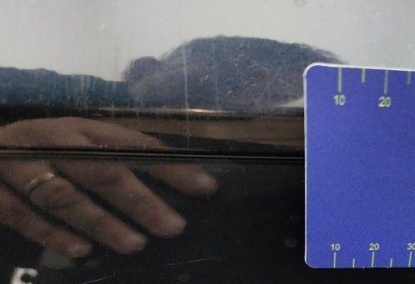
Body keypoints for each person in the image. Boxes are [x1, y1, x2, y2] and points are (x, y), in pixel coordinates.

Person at [0, 36, 340, 258]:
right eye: (227, 83)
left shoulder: (309, 187)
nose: (251, 107)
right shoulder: (61, 94)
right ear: (145, 68)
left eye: (278, 104)